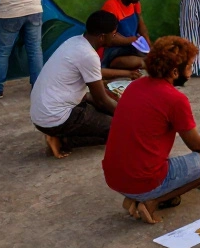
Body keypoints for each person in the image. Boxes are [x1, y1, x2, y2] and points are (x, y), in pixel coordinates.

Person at [102, 36, 200, 224]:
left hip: (114, 178)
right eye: (189, 67)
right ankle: (152, 201)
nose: (190, 72)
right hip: (142, 181)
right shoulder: (175, 99)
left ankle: (141, 195)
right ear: (174, 71)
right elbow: (196, 144)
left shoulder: (135, 86)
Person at [31, 11, 138, 159]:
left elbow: (95, 75)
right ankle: (64, 139)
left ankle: (60, 134)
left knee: (111, 108)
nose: (115, 37)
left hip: (43, 112)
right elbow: (101, 100)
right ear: (102, 37)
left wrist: (125, 78)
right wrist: (130, 117)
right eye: (113, 34)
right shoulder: (88, 55)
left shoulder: (76, 42)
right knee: (122, 129)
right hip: (55, 118)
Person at [99, 0, 150, 72]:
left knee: (152, 53)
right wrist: (131, 40)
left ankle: (147, 60)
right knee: (137, 62)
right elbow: (110, 37)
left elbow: (141, 23)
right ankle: (144, 63)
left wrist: (147, 43)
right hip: (115, 49)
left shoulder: (135, 3)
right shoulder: (111, 6)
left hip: (133, 44)